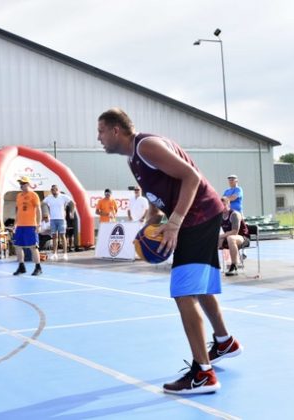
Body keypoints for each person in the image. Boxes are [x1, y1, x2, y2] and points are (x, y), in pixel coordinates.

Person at [98, 108, 242, 394]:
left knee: (182, 292)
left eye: (101, 131)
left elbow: (191, 177)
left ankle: (203, 374)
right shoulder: (133, 157)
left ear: (116, 130)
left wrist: (174, 222)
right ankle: (225, 341)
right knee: (198, 288)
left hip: (196, 215)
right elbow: (154, 190)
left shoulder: (147, 145)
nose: (98, 138)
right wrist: (153, 218)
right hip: (198, 215)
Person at [12, 176, 43, 276]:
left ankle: (38, 267)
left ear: (28, 184)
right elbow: (18, 211)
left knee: (33, 247)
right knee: (18, 246)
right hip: (20, 225)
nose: (22, 185)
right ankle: (21, 266)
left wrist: (38, 224)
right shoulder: (19, 196)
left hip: (30, 225)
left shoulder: (34, 195)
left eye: (24, 183)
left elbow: (38, 210)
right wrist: (15, 224)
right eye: (21, 183)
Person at [219, 197, 250, 276]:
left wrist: (221, 236)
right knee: (212, 239)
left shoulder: (234, 214)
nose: (222, 207)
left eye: (224, 205)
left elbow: (235, 232)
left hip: (243, 238)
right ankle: (213, 265)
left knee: (230, 238)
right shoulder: (220, 216)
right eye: (220, 205)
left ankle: (234, 265)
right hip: (230, 238)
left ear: (228, 204)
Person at [42, 185, 72, 261]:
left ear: (58, 190)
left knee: (62, 236)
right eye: (52, 190)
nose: (54, 191)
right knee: (54, 236)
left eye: (55, 189)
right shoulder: (49, 198)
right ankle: (54, 254)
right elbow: (42, 203)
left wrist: (71, 212)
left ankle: (65, 254)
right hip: (52, 220)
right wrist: (46, 213)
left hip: (61, 219)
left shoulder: (63, 197)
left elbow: (72, 203)